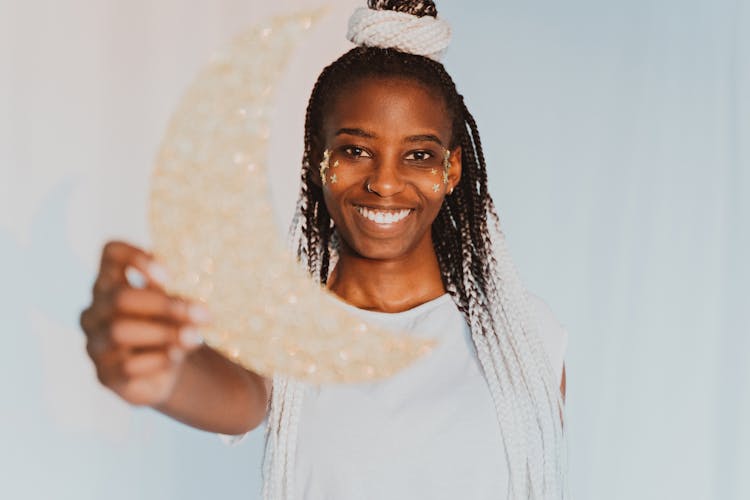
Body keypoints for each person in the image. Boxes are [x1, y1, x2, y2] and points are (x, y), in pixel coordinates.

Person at [79, 1, 569, 499]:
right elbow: (238, 393)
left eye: (419, 155)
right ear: (317, 159)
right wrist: (163, 374)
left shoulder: (524, 338)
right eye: (356, 151)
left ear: (452, 170)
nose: (384, 182)